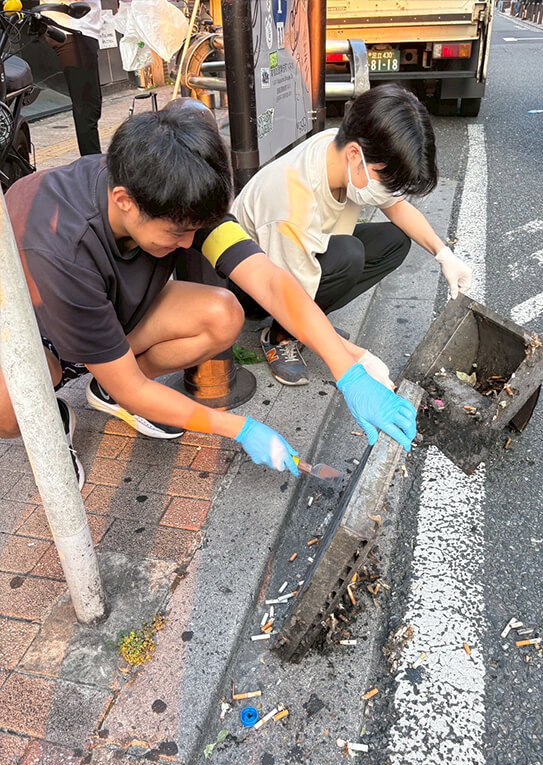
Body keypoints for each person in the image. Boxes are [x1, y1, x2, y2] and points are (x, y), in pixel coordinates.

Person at [0, 101, 417, 490]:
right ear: (123, 201)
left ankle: (106, 388)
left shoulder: (175, 188)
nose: (188, 245)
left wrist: (348, 372)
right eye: (176, 233)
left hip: (106, 312)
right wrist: (240, 428)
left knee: (222, 314)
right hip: (31, 330)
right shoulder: (63, 248)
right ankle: (54, 421)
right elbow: (130, 385)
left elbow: (269, 280)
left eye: (194, 232)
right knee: (12, 408)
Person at [232, 84, 472, 387]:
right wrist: (358, 358)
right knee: (349, 254)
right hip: (253, 288)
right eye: (387, 181)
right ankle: (281, 335)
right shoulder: (291, 200)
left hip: (303, 253)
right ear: (355, 155)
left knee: (394, 241)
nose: (389, 192)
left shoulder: (342, 149)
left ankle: (314, 328)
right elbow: (286, 297)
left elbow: (397, 207)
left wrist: (443, 254)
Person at [43, 0, 103, 156]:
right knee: (87, 106)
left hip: (62, 27)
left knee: (88, 106)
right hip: (72, 29)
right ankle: (92, 164)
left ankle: (92, 161)